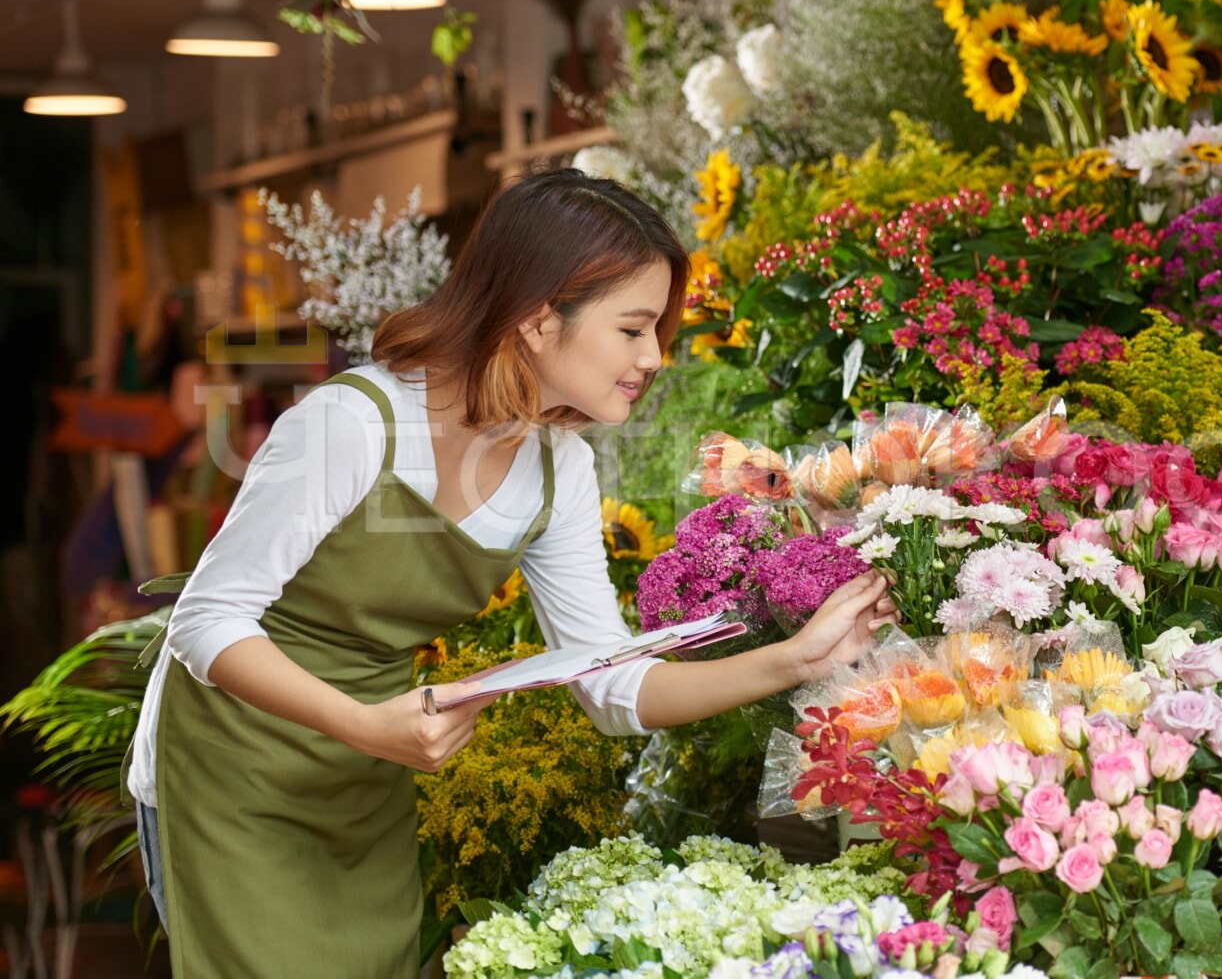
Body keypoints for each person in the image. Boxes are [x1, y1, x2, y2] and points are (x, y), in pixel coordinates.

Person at [124, 169, 896, 977]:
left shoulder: (557, 469)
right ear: (537, 317)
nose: (654, 356)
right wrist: (366, 724)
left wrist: (797, 657)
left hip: (367, 769)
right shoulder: (351, 425)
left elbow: (613, 687)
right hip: (233, 767)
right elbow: (206, 621)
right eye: (633, 328)